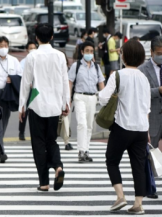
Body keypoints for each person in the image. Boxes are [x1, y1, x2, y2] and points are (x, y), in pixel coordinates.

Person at [99, 39, 150, 215]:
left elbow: (103, 98)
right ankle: (138, 204)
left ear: (124, 56)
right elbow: (146, 107)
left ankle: (120, 196)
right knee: (139, 165)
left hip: (123, 126)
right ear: (142, 58)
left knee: (112, 160)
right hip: (142, 128)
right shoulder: (144, 78)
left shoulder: (118, 75)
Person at [19, 23, 70, 191]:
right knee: (51, 140)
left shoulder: (32, 56)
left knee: (38, 143)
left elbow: (26, 83)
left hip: (37, 104)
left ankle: (44, 182)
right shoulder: (60, 56)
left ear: (36, 38)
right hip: (55, 104)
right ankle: (58, 166)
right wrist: (66, 102)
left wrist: (22, 106)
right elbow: (64, 80)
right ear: (52, 37)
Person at [69, 41, 105, 162]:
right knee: (82, 124)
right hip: (79, 96)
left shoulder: (96, 67)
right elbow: (70, 82)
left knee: (89, 125)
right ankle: (81, 151)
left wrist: (104, 99)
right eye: (87, 51)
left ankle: (86, 150)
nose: (89, 53)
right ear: (82, 52)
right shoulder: (76, 66)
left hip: (92, 98)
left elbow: (101, 83)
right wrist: (68, 98)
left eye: (91, 51)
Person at [138, 36, 162, 200]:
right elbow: (141, 93)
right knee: (149, 153)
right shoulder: (143, 70)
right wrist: (158, 91)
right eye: (159, 53)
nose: (161, 56)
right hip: (153, 115)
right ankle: (150, 186)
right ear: (152, 52)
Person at [18, 41, 37, 141]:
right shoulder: (23, 62)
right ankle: (21, 132)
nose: (32, 49)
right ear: (27, 50)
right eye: (31, 48)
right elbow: (22, 76)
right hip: (27, 89)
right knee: (24, 111)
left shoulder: (39, 60)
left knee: (35, 113)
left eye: (34, 47)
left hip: (36, 90)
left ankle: (35, 133)